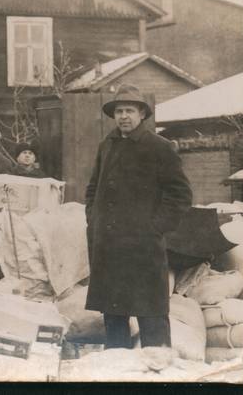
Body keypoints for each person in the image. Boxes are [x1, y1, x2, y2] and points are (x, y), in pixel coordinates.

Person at [84, 84, 192, 349]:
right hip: (109, 247)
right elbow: (93, 187)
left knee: (151, 316)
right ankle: (119, 375)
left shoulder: (159, 147)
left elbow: (180, 194)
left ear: (142, 114)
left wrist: (154, 228)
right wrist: (93, 218)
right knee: (114, 315)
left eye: (130, 110)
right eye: (119, 111)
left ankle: (160, 374)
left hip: (142, 248)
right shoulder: (106, 145)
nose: (124, 116)